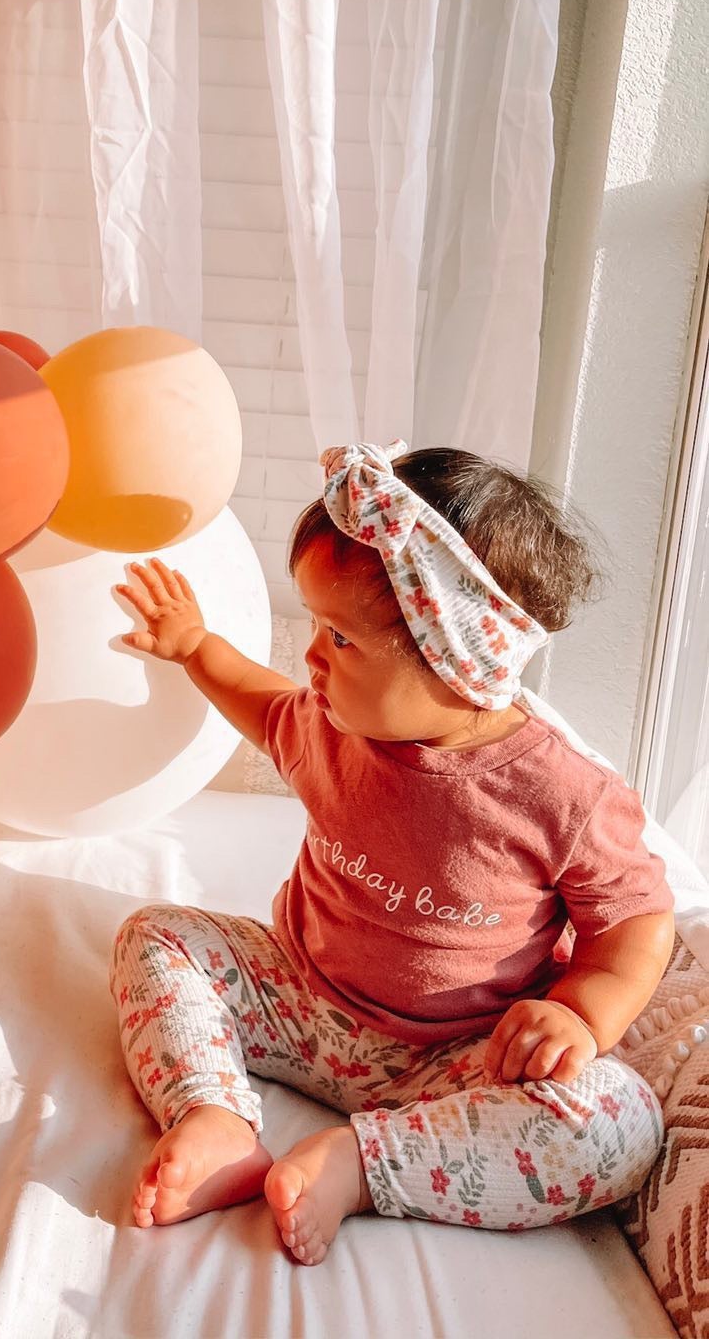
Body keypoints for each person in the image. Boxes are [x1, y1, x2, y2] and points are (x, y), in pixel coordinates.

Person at [109, 442, 674, 1265]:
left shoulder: (561, 793)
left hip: (459, 1057)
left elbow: (636, 921)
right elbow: (261, 703)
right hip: (299, 1002)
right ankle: (217, 1118)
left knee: (619, 1124)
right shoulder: (332, 728)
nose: (309, 656)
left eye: (339, 636)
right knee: (156, 935)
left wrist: (580, 1016)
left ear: (455, 658)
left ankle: (365, 1165)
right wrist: (195, 645)